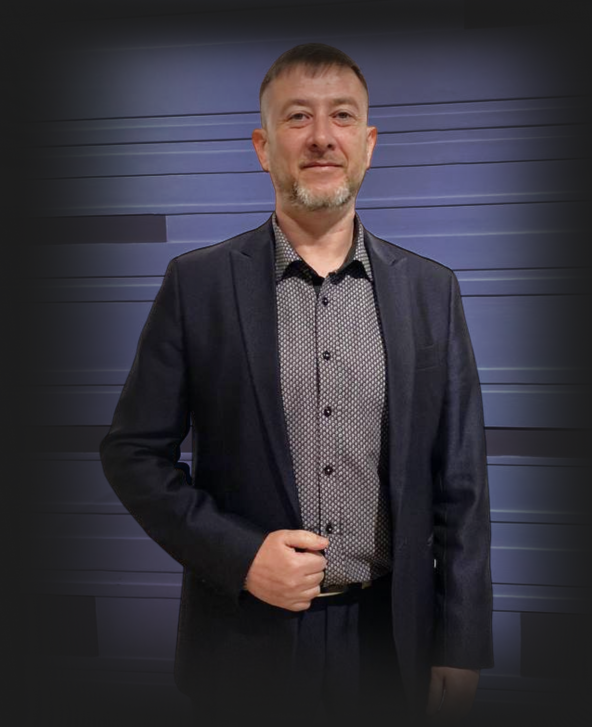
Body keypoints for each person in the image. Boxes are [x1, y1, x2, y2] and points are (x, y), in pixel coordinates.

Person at [100, 43, 493, 726]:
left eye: (342, 116)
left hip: (391, 643)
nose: (321, 137)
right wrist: (241, 556)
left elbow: (463, 485)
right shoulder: (197, 286)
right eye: (297, 117)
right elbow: (131, 454)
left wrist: (460, 642)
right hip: (242, 643)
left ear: (368, 144)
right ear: (263, 147)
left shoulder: (433, 292)